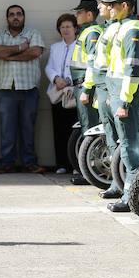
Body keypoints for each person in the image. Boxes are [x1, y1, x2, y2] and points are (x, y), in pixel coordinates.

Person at [104, 0, 139, 213]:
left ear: (125, 6)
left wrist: (124, 101)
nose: (109, 8)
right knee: (125, 144)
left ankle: (132, 196)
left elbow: (132, 69)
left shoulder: (133, 30)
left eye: (112, 5)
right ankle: (129, 192)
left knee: (130, 146)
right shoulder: (120, 27)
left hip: (127, 94)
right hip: (119, 92)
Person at [0, 4, 45, 173]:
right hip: (6, 89)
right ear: (7, 18)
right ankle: (7, 163)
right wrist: (21, 48)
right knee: (7, 129)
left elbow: (35, 52)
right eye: (12, 14)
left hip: (29, 89)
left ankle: (30, 162)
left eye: (19, 14)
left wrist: (9, 56)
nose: (15, 17)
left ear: (24, 17)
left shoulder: (33, 33)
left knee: (28, 128)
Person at [81, 0, 123, 198]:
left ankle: (123, 187)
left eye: (104, 4)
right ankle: (117, 184)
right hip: (103, 89)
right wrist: (90, 86)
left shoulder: (119, 29)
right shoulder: (107, 29)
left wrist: (112, 92)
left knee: (123, 140)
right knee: (112, 140)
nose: (99, 7)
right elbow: (96, 63)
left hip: (111, 90)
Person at [45, 13, 79, 173]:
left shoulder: (81, 46)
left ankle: (75, 165)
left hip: (73, 94)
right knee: (59, 130)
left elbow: (82, 67)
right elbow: (49, 67)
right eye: (62, 27)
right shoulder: (55, 47)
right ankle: (62, 164)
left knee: (75, 131)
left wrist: (69, 81)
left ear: (75, 28)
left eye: (68, 27)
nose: (65, 30)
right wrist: (56, 78)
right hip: (57, 93)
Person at [69, 0, 103, 138]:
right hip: (82, 85)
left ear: (89, 15)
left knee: (90, 128)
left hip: (86, 86)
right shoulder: (87, 32)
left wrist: (86, 90)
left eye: (79, 12)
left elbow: (92, 64)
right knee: (87, 124)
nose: (76, 15)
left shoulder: (92, 33)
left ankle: (91, 158)